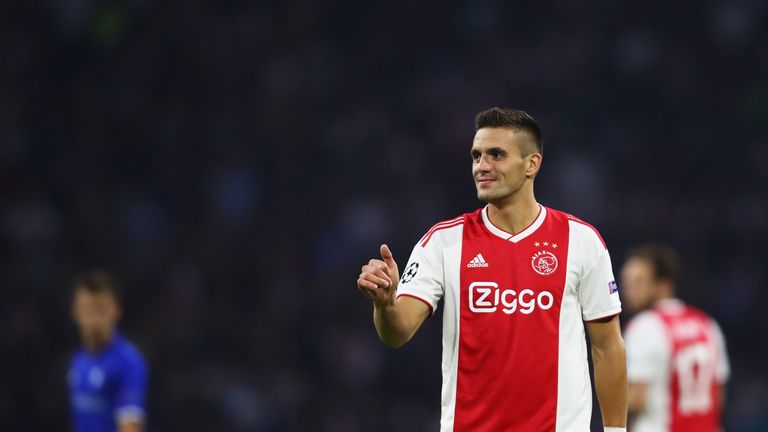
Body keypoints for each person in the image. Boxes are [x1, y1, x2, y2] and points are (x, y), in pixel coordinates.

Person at [356, 108, 627, 431]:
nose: (482, 166)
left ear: (532, 164)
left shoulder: (581, 241)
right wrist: (384, 304)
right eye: (476, 156)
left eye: (496, 155)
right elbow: (396, 333)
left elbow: (607, 346)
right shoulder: (444, 242)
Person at [621, 245, 730, 432]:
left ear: (664, 285)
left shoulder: (644, 326)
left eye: (638, 282)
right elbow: (718, 395)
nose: (629, 291)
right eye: (626, 282)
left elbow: (637, 399)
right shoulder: (706, 324)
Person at [68, 271, 148, 432]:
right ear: (75, 312)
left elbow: (130, 427)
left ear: (117, 311)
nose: (94, 319)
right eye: (88, 308)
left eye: (101, 309)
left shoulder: (128, 362)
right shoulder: (78, 359)